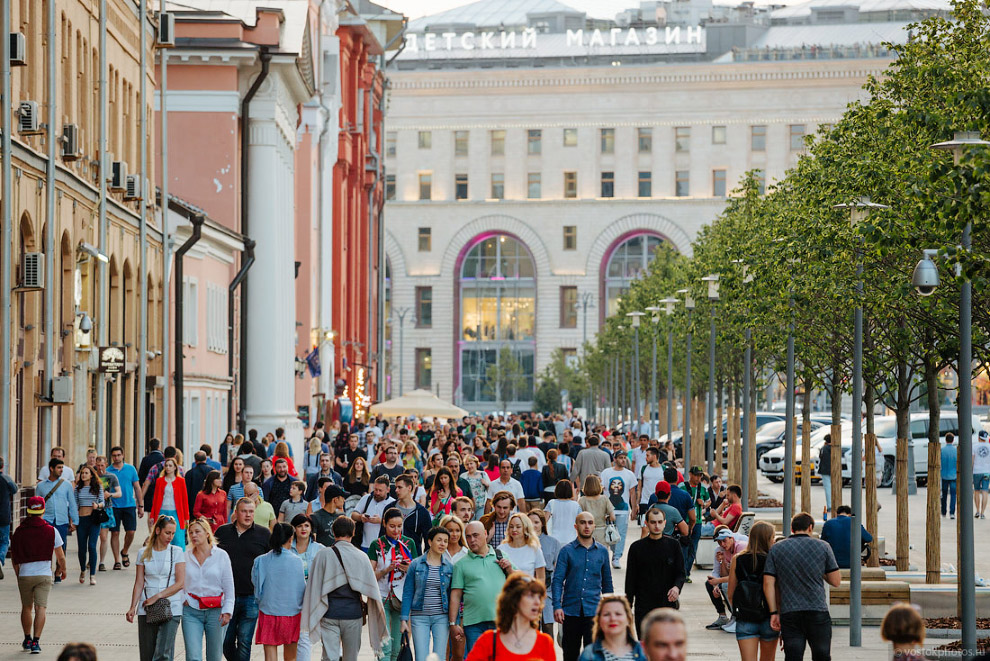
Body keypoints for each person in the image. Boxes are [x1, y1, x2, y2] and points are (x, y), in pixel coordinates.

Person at [302, 517, 389, 661]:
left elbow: (313, 587)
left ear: (333, 532)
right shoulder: (361, 556)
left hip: (329, 613)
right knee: (351, 657)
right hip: (353, 614)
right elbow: (372, 589)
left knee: (330, 657)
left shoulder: (323, 555)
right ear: (353, 532)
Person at [763, 512, 841, 661]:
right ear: (810, 527)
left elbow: (768, 583)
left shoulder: (776, 549)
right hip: (817, 610)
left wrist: (774, 612)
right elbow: (836, 581)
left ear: (792, 529)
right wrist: (819, 570)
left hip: (790, 611)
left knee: (793, 656)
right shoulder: (823, 547)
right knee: (822, 655)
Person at [552, 511, 614, 661]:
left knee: (593, 656)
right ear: (576, 526)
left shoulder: (603, 552)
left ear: (594, 526)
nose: (587, 526)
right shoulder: (566, 551)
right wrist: (557, 606)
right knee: (570, 654)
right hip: (570, 611)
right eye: (583, 522)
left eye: (590, 523)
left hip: (594, 611)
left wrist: (610, 609)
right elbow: (558, 580)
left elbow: (607, 583)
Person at [216, 497, 272, 661]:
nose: (248, 515)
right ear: (236, 513)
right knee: (226, 641)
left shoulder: (264, 534)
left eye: (251, 511)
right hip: (227, 597)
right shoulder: (222, 532)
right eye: (244, 511)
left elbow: (270, 563)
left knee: (244, 641)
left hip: (251, 597)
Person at [11, 496, 67, 654]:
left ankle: (27, 638)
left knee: (26, 607)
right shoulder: (51, 530)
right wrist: (63, 570)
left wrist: (18, 574)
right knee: (41, 607)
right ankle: (36, 642)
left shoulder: (19, 531)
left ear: (28, 511)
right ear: (43, 510)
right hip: (43, 574)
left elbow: (15, 557)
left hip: (25, 574)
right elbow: (60, 556)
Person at [449, 521, 515, 655]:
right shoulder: (460, 564)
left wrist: (509, 569)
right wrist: (452, 623)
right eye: (468, 536)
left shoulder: (501, 556)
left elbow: (519, 584)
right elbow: (455, 595)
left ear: (485, 534)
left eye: (475, 535)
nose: (471, 540)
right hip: (473, 623)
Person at [126, 515, 186, 661]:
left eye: (173, 533)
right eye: (167, 533)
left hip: (171, 607)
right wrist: (132, 606)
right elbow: (139, 582)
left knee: (163, 654)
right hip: (146, 607)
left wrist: (158, 596)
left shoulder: (177, 552)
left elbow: (180, 583)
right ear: (158, 530)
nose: (170, 537)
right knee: (147, 654)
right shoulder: (143, 553)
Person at [464, 571, 555, 661]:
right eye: (530, 596)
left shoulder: (545, 643)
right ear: (514, 600)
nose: (537, 602)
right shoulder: (489, 641)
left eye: (539, 597)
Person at [625, 507, 684, 637]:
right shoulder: (636, 548)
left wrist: (676, 587)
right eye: (653, 522)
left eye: (659, 522)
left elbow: (680, 573)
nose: (656, 526)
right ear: (646, 523)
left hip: (667, 604)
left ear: (665, 523)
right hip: (643, 605)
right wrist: (628, 606)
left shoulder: (674, 545)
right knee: (645, 645)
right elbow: (630, 580)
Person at [252, 522, 307, 661]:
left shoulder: (260, 560)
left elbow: (256, 584)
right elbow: (301, 588)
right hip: (292, 613)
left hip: (268, 611)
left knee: (270, 658)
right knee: (291, 658)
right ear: (290, 539)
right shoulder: (297, 561)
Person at [182, 517, 235, 661]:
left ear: (207, 533)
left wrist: (227, 611)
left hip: (216, 611)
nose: (193, 535)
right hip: (191, 611)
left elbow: (229, 587)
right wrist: (184, 598)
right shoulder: (185, 557)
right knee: (193, 656)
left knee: (214, 657)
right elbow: (178, 582)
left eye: (197, 532)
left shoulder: (221, 556)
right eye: (190, 532)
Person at [369, 507, 418, 661]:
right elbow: (370, 576)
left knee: (397, 647)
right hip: (382, 597)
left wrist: (408, 567)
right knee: (385, 647)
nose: (396, 530)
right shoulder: (376, 544)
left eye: (399, 526)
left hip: (402, 597)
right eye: (392, 526)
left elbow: (417, 571)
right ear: (384, 523)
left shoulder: (409, 543)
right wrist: (386, 570)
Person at [401, 527, 454, 661]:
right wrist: (404, 619)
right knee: (421, 657)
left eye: (446, 541)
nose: (443, 544)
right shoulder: (416, 564)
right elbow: (408, 592)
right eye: (439, 540)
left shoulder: (449, 567)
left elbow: (452, 596)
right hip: (419, 617)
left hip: (441, 617)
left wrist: (455, 621)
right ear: (430, 542)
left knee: (440, 657)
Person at [727, 521, 778, 661]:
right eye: (772, 537)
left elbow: (730, 593)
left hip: (745, 618)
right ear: (767, 539)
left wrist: (738, 611)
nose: (774, 540)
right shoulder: (773, 560)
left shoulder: (738, 559)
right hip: (769, 617)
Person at [35, 458, 78, 579]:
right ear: (51, 468)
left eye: (62, 468)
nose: (61, 470)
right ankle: (47, 571)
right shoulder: (41, 486)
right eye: (59, 468)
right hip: (46, 521)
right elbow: (36, 505)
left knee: (61, 548)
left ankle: (59, 571)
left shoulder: (66, 485)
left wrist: (74, 521)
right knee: (45, 547)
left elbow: (72, 503)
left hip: (62, 520)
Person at [578, 594, 647, 661]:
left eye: (618, 614)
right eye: (606, 614)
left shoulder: (644, 653)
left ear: (628, 619)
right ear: (599, 620)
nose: (612, 618)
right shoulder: (589, 655)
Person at [107, 446, 143, 571]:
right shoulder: (108, 471)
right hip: (114, 506)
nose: (116, 458)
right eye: (114, 455)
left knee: (131, 531)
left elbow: (137, 487)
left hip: (129, 504)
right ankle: (117, 560)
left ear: (123, 455)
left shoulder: (130, 469)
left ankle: (125, 551)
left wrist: (141, 505)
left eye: (118, 455)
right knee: (115, 532)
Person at [601, 452, 637, 569]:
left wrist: (634, 508)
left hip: (623, 511)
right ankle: (612, 552)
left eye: (624, 458)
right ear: (615, 459)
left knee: (620, 534)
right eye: (620, 458)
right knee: (609, 534)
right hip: (608, 510)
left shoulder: (629, 474)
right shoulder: (606, 473)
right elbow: (601, 490)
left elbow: (632, 493)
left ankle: (616, 557)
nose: (623, 460)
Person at [74, 465, 106, 585]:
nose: (83, 475)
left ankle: (92, 574)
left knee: (92, 546)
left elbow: (103, 502)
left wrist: (97, 506)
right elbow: (75, 504)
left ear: (91, 475)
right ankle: (83, 569)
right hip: (82, 520)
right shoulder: (78, 488)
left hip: (94, 520)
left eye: (86, 473)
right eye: (82, 473)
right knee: (82, 548)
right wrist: (73, 520)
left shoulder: (97, 487)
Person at [819, 505, 874, 569]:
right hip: (852, 562)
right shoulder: (854, 522)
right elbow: (869, 538)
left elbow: (822, 542)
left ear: (837, 514)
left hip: (832, 562)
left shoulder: (828, 523)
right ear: (850, 514)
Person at [351, 475, 397, 550]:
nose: (377, 493)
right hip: (365, 544)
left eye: (380, 490)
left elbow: (396, 523)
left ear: (388, 490)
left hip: (384, 546)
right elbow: (353, 514)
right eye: (376, 490)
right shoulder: (367, 498)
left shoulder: (392, 503)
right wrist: (361, 517)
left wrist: (381, 521)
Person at [498, 512, 546, 582]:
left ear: (526, 528)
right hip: (507, 591)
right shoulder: (501, 549)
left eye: (518, 527)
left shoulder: (535, 550)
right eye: (511, 526)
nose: (514, 530)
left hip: (528, 591)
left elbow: (541, 578)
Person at [680, 466, 709, 579]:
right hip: (685, 521)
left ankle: (687, 572)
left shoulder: (703, 488)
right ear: (690, 474)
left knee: (693, 547)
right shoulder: (682, 486)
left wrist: (704, 504)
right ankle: (682, 571)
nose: (698, 478)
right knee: (684, 546)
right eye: (696, 475)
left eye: (700, 475)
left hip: (697, 522)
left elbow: (708, 501)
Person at [396, 474, 433, 555]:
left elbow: (428, 540)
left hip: (414, 557)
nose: (396, 490)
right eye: (396, 487)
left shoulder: (422, 512)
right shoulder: (391, 508)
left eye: (400, 487)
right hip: (391, 557)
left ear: (409, 488)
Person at [579, 474, 615, 546]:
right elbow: (613, 517)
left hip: (587, 531)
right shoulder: (604, 499)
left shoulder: (582, 500)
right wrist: (606, 518)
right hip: (602, 531)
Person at [310, 482, 347, 546]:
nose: (344, 500)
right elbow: (313, 542)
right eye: (342, 498)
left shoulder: (341, 516)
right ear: (335, 499)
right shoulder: (315, 517)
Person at [547, 480, 580, 546]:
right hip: (571, 538)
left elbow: (544, 520)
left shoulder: (551, 503)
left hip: (555, 538)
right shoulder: (576, 505)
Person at [0, 456, 17, 579]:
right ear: (2, 466)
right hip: (4, 516)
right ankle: (0, 560)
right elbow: (15, 489)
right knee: (4, 541)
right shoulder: (6, 479)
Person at [638, 449, 664, 523]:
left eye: (647, 455)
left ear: (654, 456)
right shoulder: (643, 468)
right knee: (644, 526)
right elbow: (639, 487)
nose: (646, 458)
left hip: (658, 502)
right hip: (645, 502)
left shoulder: (663, 469)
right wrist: (638, 503)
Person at [460, 455, 490, 520]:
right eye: (467, 464)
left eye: (471, 463)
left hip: (481, 505)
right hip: (468, 506)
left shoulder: (483, 474)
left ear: (476, 464)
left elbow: (490, 489)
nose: (469, 466)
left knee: (479, 523)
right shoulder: (463, 476)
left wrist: (486, 484)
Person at [974, 429, 990, 519]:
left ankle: (977, 511)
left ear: (978, 437)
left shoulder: (974, 447)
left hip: (976, 471)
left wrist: (971, 470)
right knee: (984, 491)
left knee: (976, 491)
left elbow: (972, 459)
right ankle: (983, 513)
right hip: (987, 472)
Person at [941, 433, 958, 519]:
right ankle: (952, 512)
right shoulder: (956, 451)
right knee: (953, 495)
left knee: (943, 494)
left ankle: (943, 511)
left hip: (944, 475)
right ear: (953, 440)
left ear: (945, 440)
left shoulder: (942, 450)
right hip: (954, 475)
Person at [818, 435, 833, 517]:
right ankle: (834, 504)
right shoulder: (835, 448)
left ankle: (830, 505)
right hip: (834, 470)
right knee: (833, 488)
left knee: (828, 488)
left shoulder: (824, 448)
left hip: (824, 470)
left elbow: (821, 456)